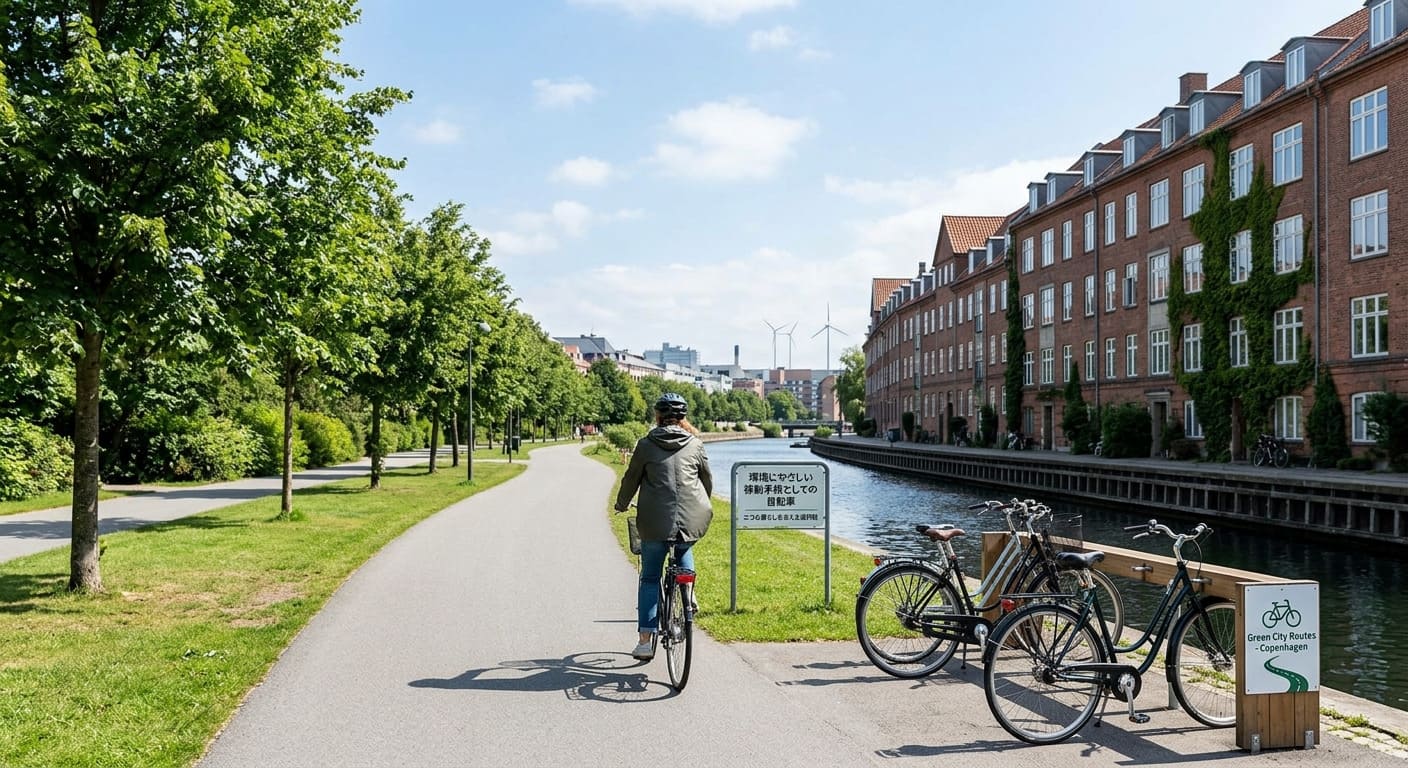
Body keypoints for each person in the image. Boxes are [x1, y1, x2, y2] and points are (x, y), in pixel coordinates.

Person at [614, 392, 713, 660]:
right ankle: (688, 592)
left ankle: (645, 641)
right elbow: (706, 480)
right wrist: (703, 502)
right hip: (691, 517)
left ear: (657, 417)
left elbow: (631, 479)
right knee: (684, 547)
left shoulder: (646, 445)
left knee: (649, 577)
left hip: (654, 521)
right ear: (683, 419)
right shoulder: (695, 444)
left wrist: (622, 504)